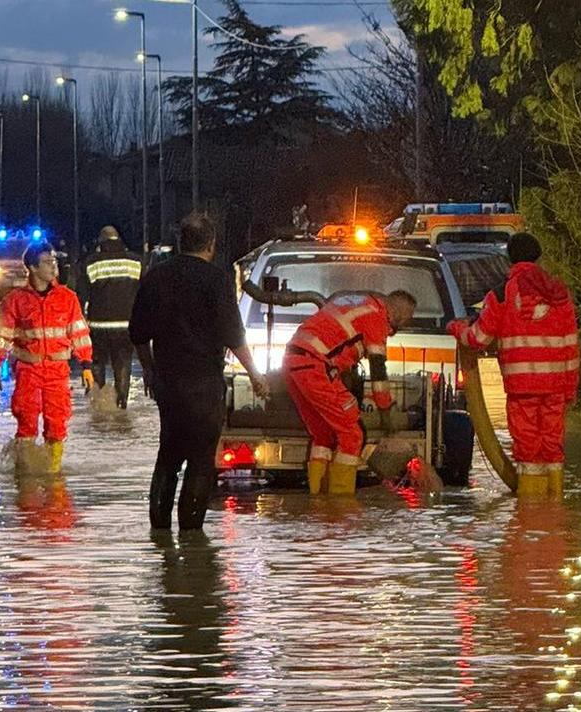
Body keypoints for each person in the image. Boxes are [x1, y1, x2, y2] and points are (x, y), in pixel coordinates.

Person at [130, 212, 267, 531]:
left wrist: (150, 372)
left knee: (168, 456)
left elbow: (138, 333)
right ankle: (191, 534)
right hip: (204, 384)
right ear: (212, 244)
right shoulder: (217, 280)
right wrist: (255, 375)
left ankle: (159, 531)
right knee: (201, 459)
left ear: (180, 243)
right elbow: (234, 336)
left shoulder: (156, 277)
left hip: (168, 382)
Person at [448, 232, 580, 496]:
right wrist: (570, 390)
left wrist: (457, 329)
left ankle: (530, 513)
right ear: (538, 257)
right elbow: (571, 346)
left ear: (509, 259)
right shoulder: (559, 294)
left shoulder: (501, 295)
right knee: (552, 446)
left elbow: (479, 338)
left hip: (522, 388)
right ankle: (555, 506)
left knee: (528, 448)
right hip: (555, 387)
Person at [284, 290, 417, 495]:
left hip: (293, 362)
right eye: (407, 320)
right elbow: (378, 374)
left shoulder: (358, 303)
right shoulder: (377, 318)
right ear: (399, 312)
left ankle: (318, 500)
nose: (403, 326)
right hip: (316, 366)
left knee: (323, 435)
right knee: (353, 434)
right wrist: (386, 411)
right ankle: (341, 504)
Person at [0, 241, 95, 473]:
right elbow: (2, 338)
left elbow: (80, 335)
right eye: (47, 262)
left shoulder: (68, 298)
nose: (53, 266)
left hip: (57, 373)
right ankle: (26, 474)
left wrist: (86, 365)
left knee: (57, 424)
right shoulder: (15, 301)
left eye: (54, 261)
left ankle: (52, 475)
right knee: (26, 421)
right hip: (29, 371)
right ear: (33, 268)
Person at [82, 226, 143, 409]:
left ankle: (98, 403)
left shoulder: (91, 263)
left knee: (98, 363)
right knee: (123, 364)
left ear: (101, 243)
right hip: (126, 325)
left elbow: (82, 294)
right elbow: (144, 293)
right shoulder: (136, 262)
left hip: (98, 326)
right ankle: (122, 403)